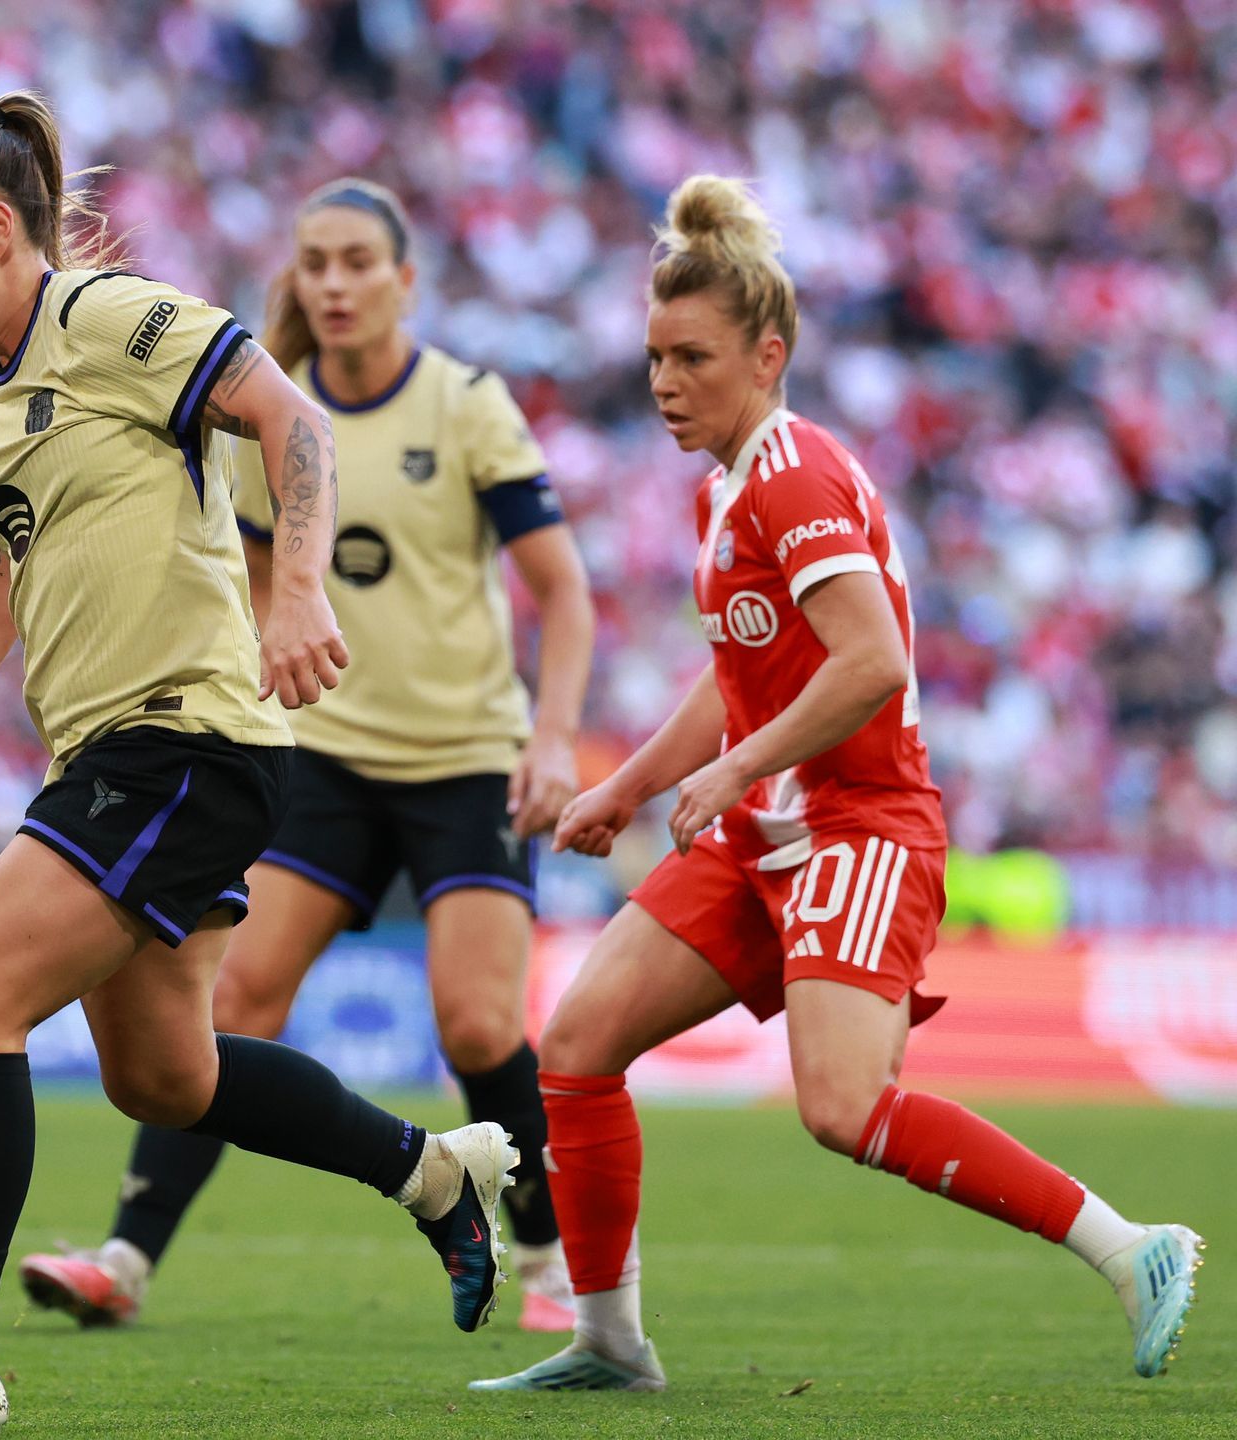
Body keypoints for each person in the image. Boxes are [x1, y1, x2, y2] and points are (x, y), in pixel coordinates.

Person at [0, 93, 520, 1440]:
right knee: (168, 1080)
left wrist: (297, 591)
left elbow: (292, 425)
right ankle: (432, 1176)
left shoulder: (115, 320)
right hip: (124, 753)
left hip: (183, 737)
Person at [473, 178, 1202, 1392]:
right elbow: (738, 678)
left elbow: (871, 662)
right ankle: (606, 1341)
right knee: (579, 1042)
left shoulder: (793, 478)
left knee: (842, 1106)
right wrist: (636, 787)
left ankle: (1132, 1249)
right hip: (759, 828)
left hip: (855, 830)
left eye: (690, 357)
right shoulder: (724, 485)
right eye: (652, 355)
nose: (661, 382)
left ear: (767, 356)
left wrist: (735, 768)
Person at [21, 177, 596, 1333]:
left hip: (463, 756)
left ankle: (543, 1265)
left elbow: (562, 591)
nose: (332, 284)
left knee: (480, 1025)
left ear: (404, 281)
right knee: (234, 1006)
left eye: (355, 263)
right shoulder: (259, 422)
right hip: (322, 753)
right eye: (313, 264)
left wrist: (553, 738)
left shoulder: (467, 405)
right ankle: (126, 1261)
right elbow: (239, 587)